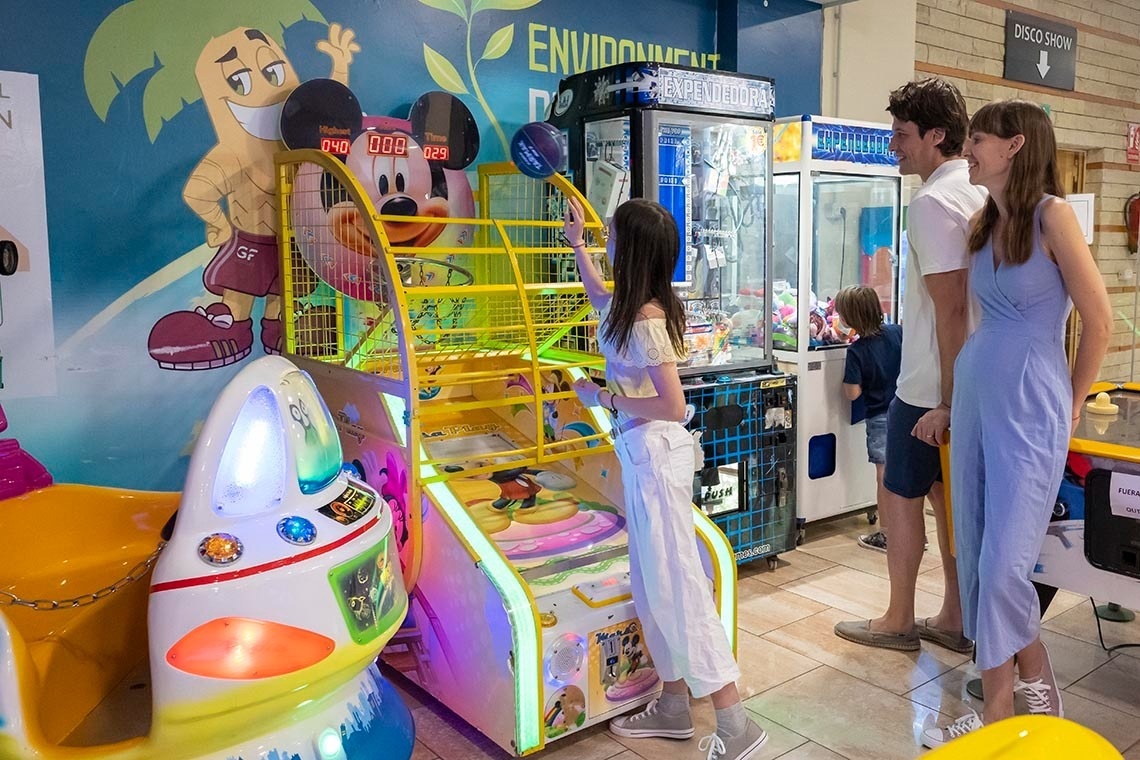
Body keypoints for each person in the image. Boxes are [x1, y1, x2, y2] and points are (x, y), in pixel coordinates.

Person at [922, 100, 1111, 747]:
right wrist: (949, 402)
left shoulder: (1053, 216)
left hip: (1032, 402)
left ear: (1017, 146)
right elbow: (970, 322)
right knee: (974, 554)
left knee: (1007, 565)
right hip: (978, 394)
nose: (968, 148)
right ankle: (1035, 694)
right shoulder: (982, 222)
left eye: (978, 138)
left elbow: (1100, 320)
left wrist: (1075, 399)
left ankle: (1002, 710)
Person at [563, 195, 768, 760]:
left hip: (655, 455)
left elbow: (673, 405)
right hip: (642, 455)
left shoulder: (649, 319)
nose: (605, 242)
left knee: (678, 587)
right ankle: (674, 705)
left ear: (630, 251)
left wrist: (599, 396)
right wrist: (577, 245)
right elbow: (599, 297)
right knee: (656, 588)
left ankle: (735, 723)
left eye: (609, 237)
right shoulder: (633, 305)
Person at [835, 78, 985, 655]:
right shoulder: (979, 194)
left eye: (902, 135)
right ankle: (954, 612)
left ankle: (899, 617)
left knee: (901, 500)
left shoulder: (931, 202)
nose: (893, 146)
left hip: (928, 385)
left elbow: (950, 309)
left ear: (937, 135)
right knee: (949, 501)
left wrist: (945, 399)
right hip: (964, 382)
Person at [833, 286, 903, 553]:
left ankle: (886, 534)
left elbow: (852, 393)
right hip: (905, 412)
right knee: (906, 475)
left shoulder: (858, 351)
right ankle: (911, 530)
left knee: (884, 477)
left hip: (879, 419)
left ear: (850, 318)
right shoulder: (898, 333)